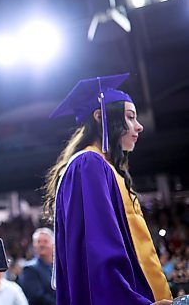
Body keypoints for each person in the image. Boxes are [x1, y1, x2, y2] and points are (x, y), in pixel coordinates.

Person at [43, 73, 173, 305]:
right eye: (130, 117)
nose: (139, 126)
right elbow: (98, 253)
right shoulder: (88, 165)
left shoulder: (103, 167)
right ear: (100, 117)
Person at [19, 228, 56, 305]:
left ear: (53, 244)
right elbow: (38, 296)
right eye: (38, 242)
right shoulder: (29, 269)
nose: (42, 245)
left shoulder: (57, 268)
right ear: (34, 245)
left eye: (45, 241)